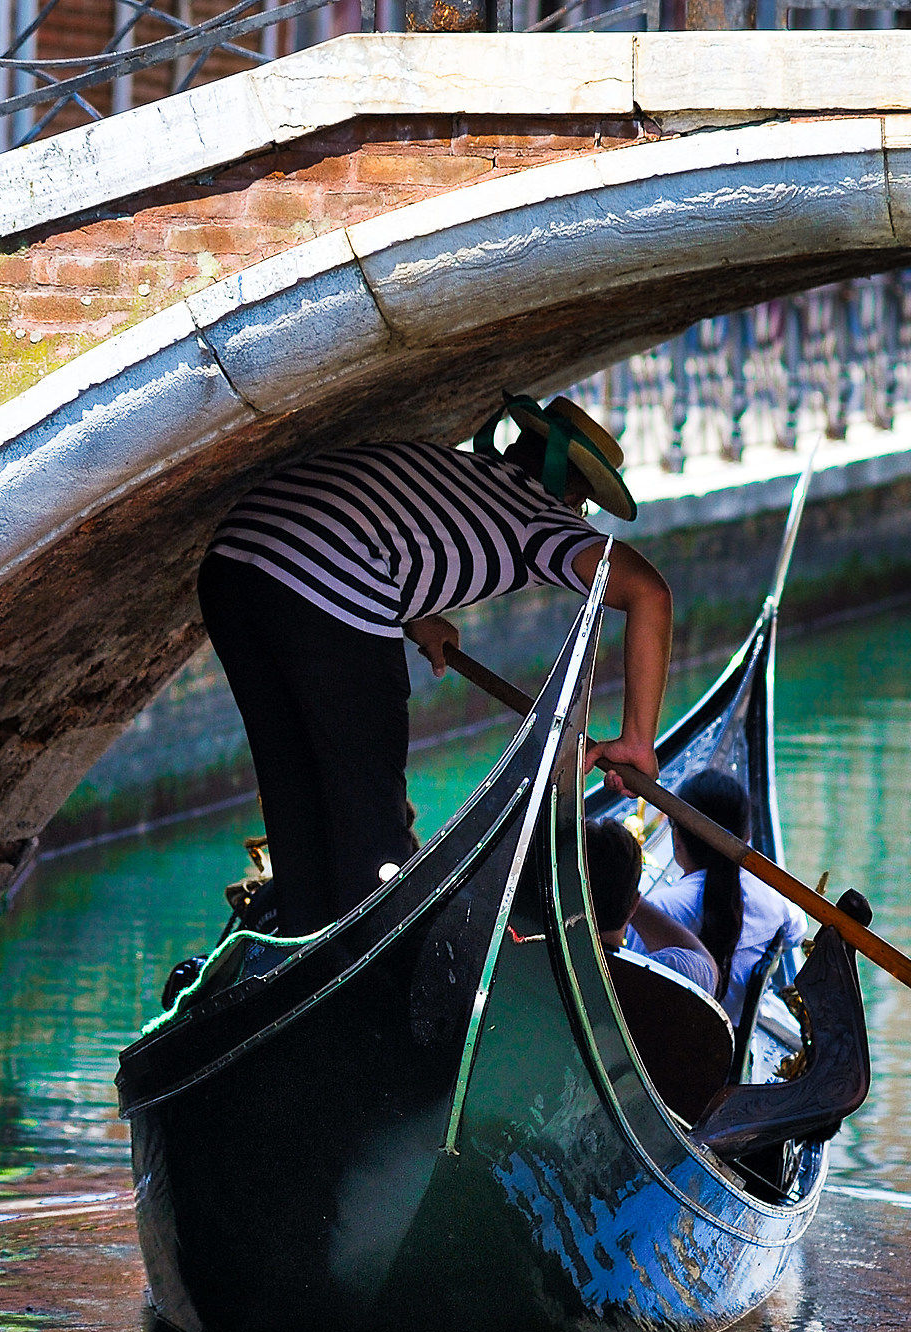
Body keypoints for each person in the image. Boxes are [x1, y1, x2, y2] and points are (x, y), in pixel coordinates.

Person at [196, 395, 673, 936]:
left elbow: (384, 531)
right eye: (583, 505)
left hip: (231, 568)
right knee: (372, 827)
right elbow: (648, 592)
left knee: (294, 793)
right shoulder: (539, 515)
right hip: (322, 585)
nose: (580, 519)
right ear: (570, 490)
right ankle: (379, 966)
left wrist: (419, 618)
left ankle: (301, 934)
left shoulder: (452, 470)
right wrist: (637, 740)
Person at [642, 769, 807, 1026]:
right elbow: (797, 931)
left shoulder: (659, 910)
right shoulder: (776, 902)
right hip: (734, 1051)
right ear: (747, 837)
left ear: (677, 838)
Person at [583, 818, 720, 994]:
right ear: (634, 905)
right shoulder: (652, 981)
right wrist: (625, 890)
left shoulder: (543, 964)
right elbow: (705, 963)